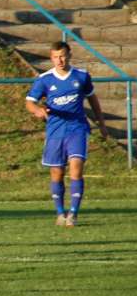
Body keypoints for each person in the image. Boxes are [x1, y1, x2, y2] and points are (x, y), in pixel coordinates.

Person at [25, 41, 108, 227]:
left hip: (77, 129)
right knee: (57, 173)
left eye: (62, 55)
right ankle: (60, 213)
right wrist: (37, 110)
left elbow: (92, 98)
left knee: (76, 168)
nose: (59, 60)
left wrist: (101, 124)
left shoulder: (81, 76)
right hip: (55, 131)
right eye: (55, 57)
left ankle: (73, 214)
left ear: (69, 55)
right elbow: (29, 101)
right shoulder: (44, 79)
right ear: (51, 58)